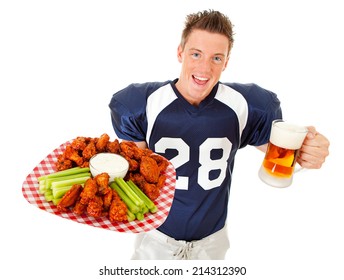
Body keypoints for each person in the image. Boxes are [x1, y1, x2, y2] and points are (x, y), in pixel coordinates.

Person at [108, 10, 330, 260]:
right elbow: (133, 172)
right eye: (196, 54)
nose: (204, 67)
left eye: (216, 58)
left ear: (226, 62)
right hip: (155, 238)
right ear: (180, 52)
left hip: (212, 243)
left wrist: (308, 149)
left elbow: (280, 152)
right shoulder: (143, 103)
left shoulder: (244, 105)